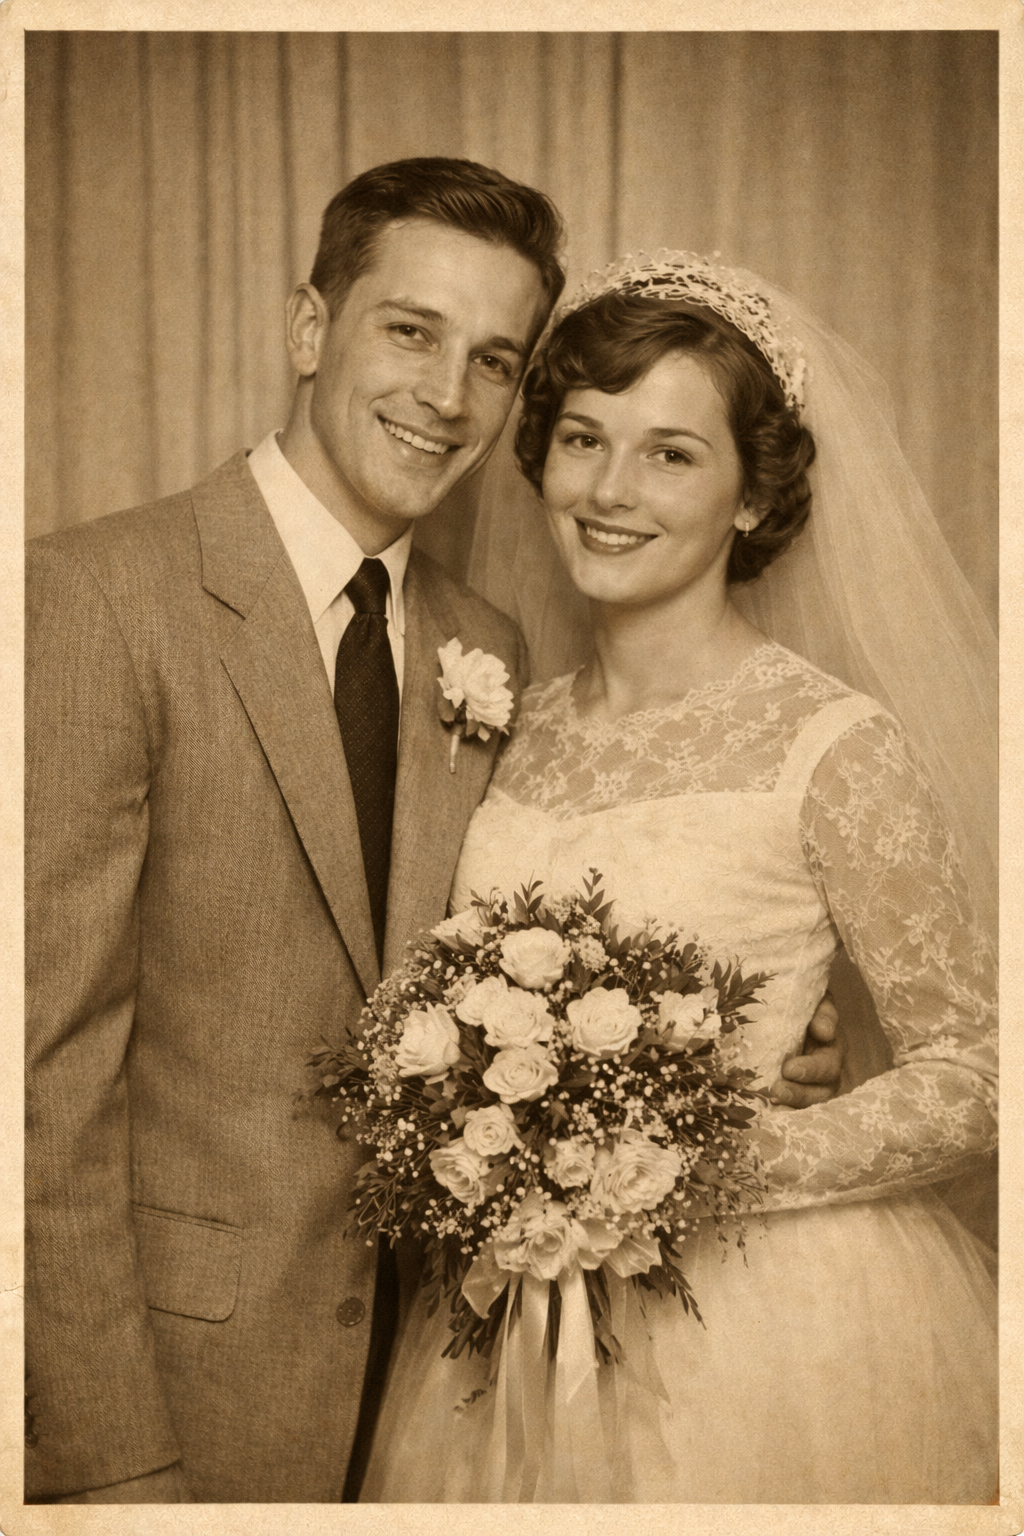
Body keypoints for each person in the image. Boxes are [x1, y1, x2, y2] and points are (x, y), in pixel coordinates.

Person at [24, 167, 844, 1504]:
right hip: (173, 1401)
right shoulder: (93, 598)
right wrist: (109, 1462)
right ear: (309, 330)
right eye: (409, 331)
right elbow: (35, 1088)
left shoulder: (489, 647)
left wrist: (756, 1035)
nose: (446, 394)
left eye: (494, 360)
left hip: (441, 1389)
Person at [361, 252, 998, 1503]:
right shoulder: (498, 723)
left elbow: (979, 1067)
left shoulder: (832, 743)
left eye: (670, 453)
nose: (607, 490)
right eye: (583, 439)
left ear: (752, 497)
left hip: (767, 1329)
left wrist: (711, 1154)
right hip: (504, 1322)